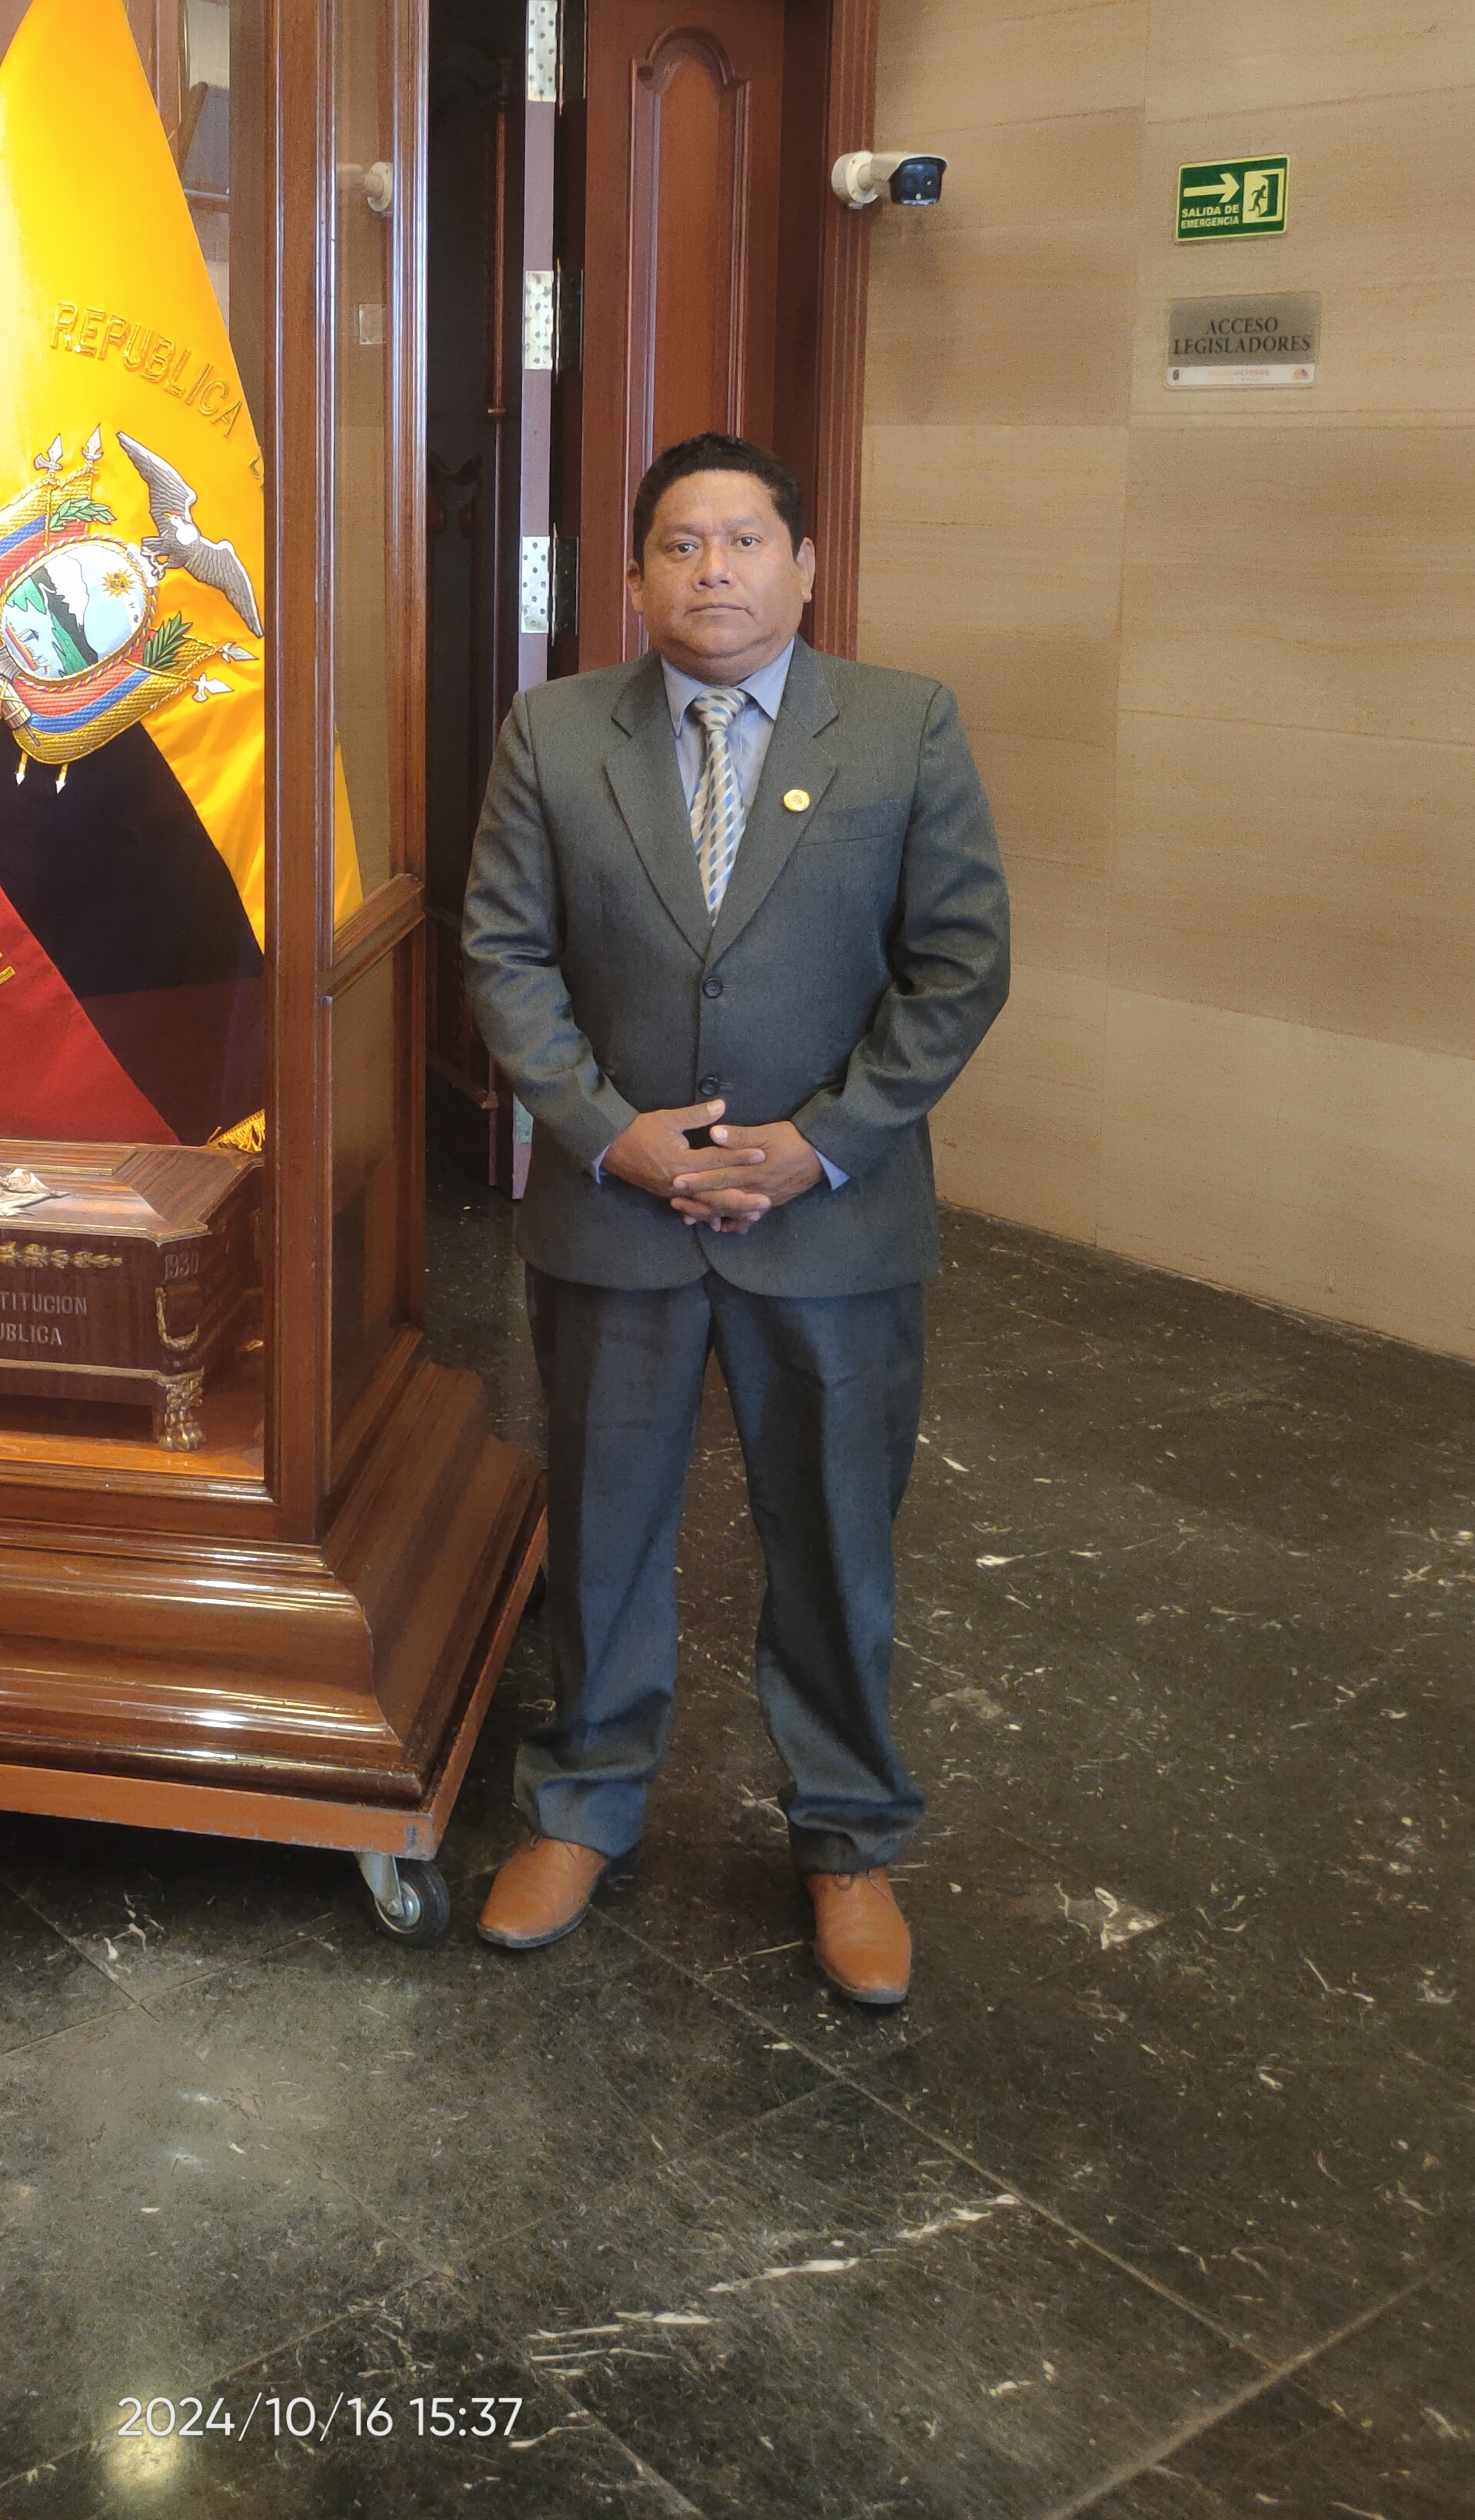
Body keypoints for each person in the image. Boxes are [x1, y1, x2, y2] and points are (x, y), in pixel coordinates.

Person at [460, 433, 1009, 2002]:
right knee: (605, 1527)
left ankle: (847, 1834)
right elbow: (504, 954)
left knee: (835, 1540)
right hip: (616, 1219)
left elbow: (960, 964)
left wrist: (820, 1146)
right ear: (634, 578)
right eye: (681, 544)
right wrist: (610, 1135)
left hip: (830, 1225)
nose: (716, 570)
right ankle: (584, 1802)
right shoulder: (556, 731)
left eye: (747, 540)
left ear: (805, 565)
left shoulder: (904, 725)